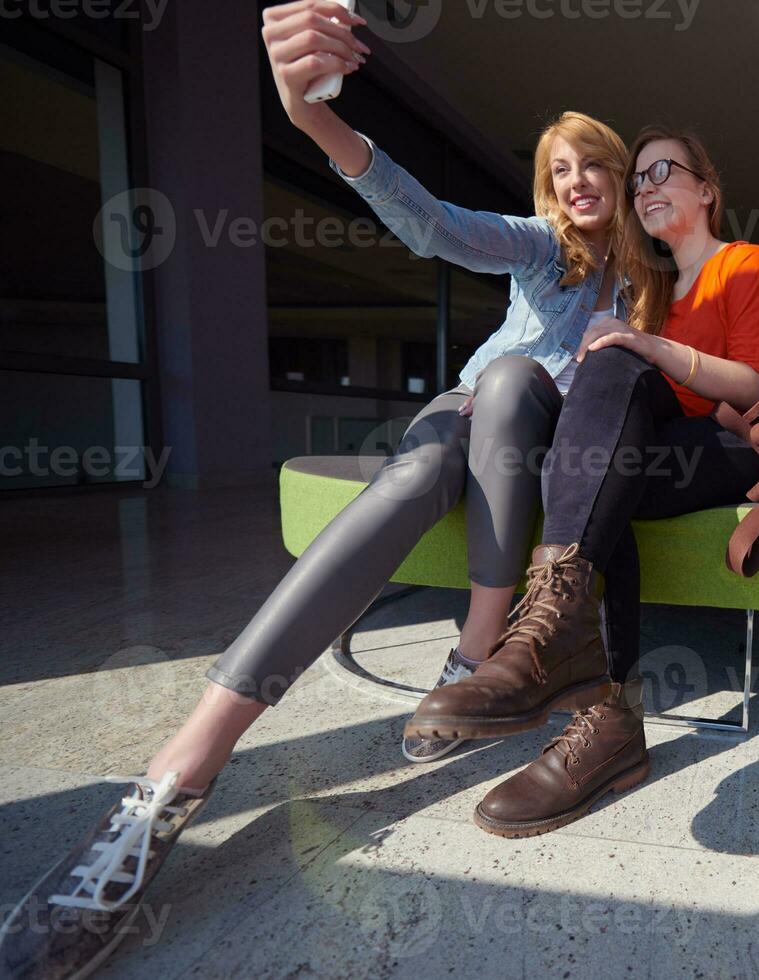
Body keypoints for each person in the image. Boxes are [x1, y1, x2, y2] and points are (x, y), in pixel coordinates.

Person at [0, 4, 633, 976]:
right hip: (466, 416)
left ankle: (473, 651)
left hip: (541, 435)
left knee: (516, 384)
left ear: (623, 177)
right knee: (436, 444)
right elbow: (434, 225)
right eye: (559, 170)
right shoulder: (542, 250)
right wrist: (313, 119)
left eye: (592, 164)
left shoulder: (650, 280)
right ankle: (176, 773)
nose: (577, 182)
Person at [404, 125, 759, 838]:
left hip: (732, 447)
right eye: (637, 178)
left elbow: (753, 390)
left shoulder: (743, 263)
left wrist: (648, 345)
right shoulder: (653, 288)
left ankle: (573, 676)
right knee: (595, 455)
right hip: (652, 449)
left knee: (611, 393)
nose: (644, 187)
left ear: (706, 190)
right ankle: (603, 712)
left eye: (661, 171)